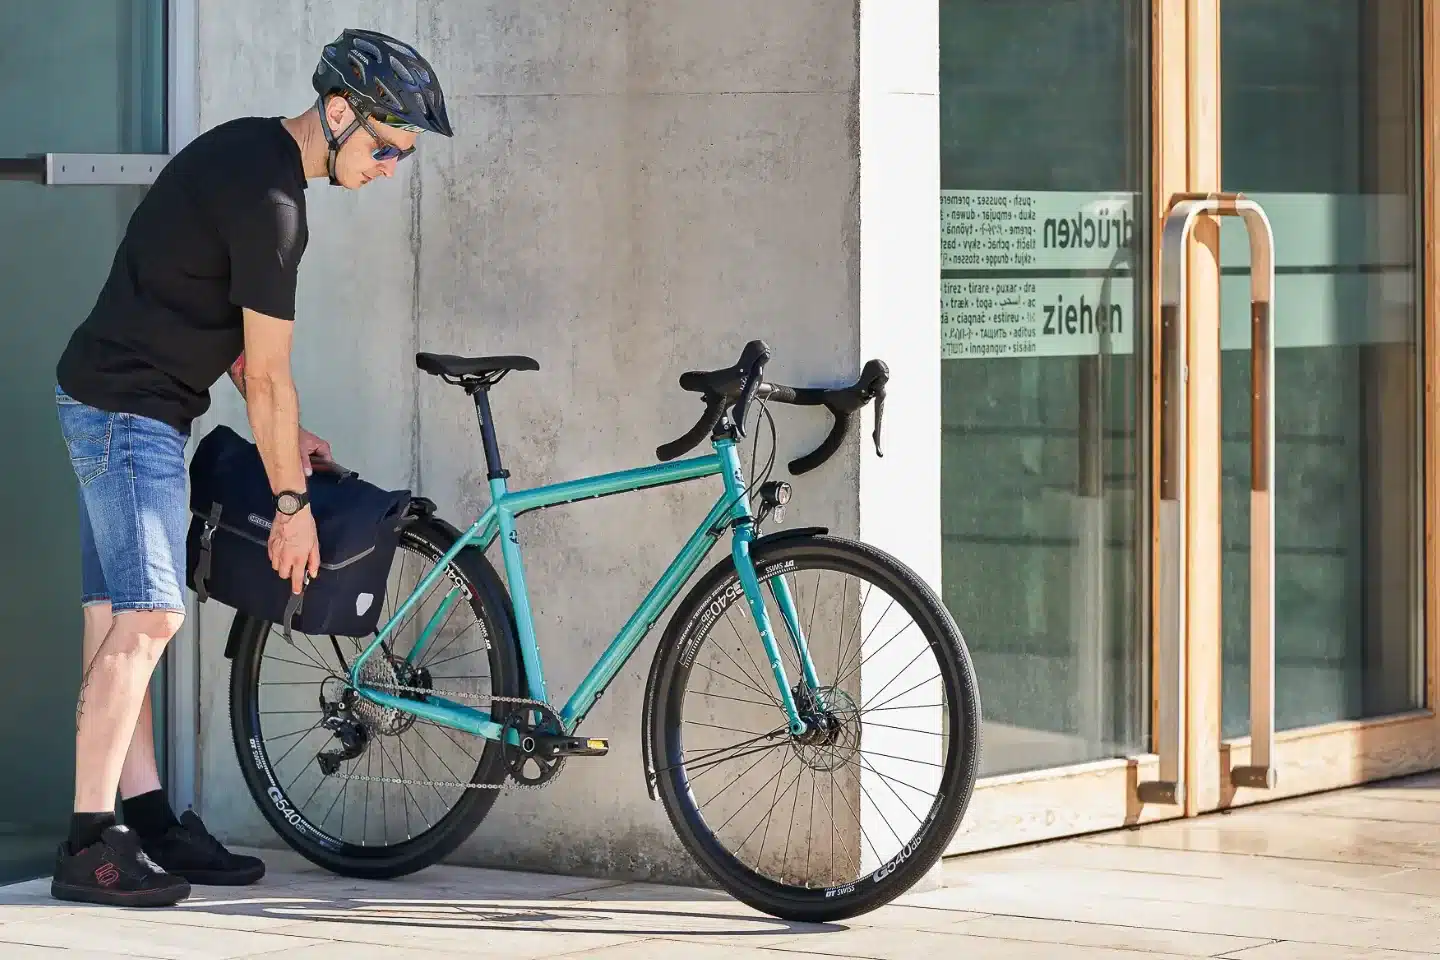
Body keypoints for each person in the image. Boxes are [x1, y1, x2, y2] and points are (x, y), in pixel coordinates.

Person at [48, 28, 453, 907]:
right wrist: (292, 502)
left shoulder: (248, 153)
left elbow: (213, 319)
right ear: (339, 114)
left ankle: (146, 819)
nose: (389, 169)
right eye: (386, 149)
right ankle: (89, 844)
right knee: (150, 619)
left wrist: (287, 435)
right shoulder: (274, 203)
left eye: (402, 157)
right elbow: (266, 374)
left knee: (117, 617)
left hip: (117, 396)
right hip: (127, 413)